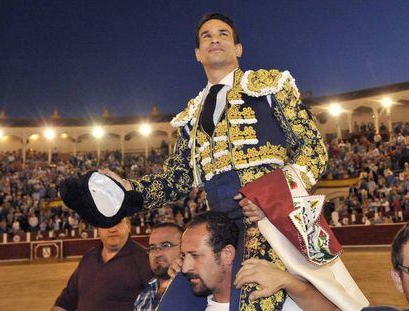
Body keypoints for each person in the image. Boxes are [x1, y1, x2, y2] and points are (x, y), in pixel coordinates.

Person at [63, 13, 368, 310]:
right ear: (198, 53)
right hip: (217, 228)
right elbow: (177, 179)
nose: (214, 39)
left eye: (223, 34)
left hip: (273, 221)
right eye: (206, 36)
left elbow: (313, 148)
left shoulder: (271, 87)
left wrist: (273, 197)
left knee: (261, 300)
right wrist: (130, 193)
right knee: (176, 304)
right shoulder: (191, 116)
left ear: (238, 49)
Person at [167, 212, 337, 310]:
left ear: (227, 255)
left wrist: (290, 283)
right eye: (183, 256)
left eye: (195, 256)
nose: (185, 268)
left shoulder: (266, 298)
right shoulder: (185, 302)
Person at [51, 218, 152, 311]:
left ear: (128, 227)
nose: (112, 229)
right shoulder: (88, 258)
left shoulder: (145, 259)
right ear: (99, 230)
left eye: (118, 222)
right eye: (105, 224)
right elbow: (64, 303)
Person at [134, 222, 184, 311]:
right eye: (153, 248)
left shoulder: (196, 292)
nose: (157, 253)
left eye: (166, 245)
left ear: (184, 248)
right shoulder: (144, 296)